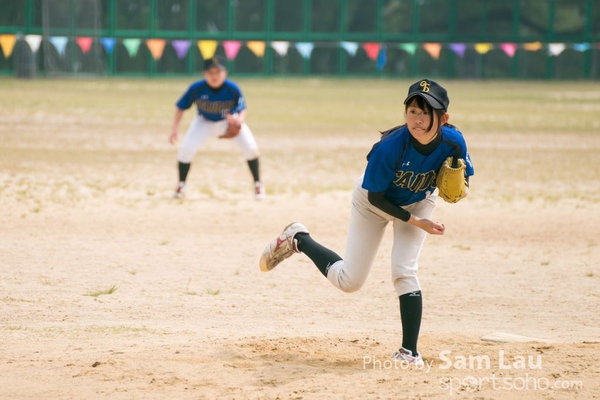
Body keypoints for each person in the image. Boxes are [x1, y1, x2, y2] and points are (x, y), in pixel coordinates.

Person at [259, 79, 474, 366]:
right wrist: (418, 222)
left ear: (443, 118)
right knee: (350, 282)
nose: (418, 119)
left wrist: (462, 189)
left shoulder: (453, 140)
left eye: (426, 112)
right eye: (412, 111)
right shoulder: (389, 148)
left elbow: (464, 177)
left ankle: (409, 352)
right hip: (373, 202)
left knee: (404, 270)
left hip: (419, 199)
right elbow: (376, 197)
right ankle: (299, 239)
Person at [169, 55, 264, 199]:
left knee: (251, 149)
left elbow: (242, 108)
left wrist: (239, 120)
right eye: (210, 72)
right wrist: (174, 129)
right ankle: (181, 185)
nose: (214, 76)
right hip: (203, 122)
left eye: (218, 72)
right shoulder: (197, 88)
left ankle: (258, 184)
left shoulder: (232, 88)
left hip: (228, 122)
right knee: (185, 150)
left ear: (225, 73)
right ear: (204, 74)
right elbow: (180, 107)